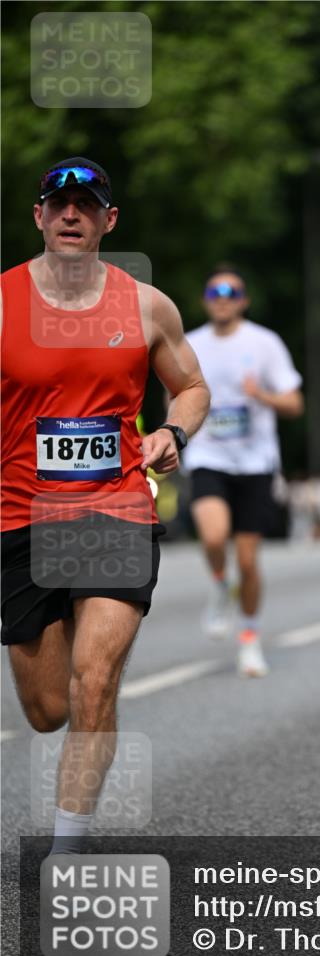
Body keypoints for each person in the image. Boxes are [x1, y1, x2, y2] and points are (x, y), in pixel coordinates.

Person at [0, 157, 210, 853]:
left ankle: (67, 847)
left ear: (107, 221)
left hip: (114, 508)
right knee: (46, 708)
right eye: (58, 205)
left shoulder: (147, 305)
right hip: (21, 515)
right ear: (38, 216)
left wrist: (172, 432)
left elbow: (191, 386)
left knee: (96, 680)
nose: (71, 215)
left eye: (86, 205)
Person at [183, 265, 303, 676]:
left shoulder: (265, 343)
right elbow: (175, 396)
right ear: (204, 299)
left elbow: (295, 403)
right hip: (208, 457)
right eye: (213, 290)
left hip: (255, 463)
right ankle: (220, 584)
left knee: (249, 562)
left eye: (230, 291)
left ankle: (249, 639)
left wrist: (261, 395)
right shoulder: (190, 344)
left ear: (244, 300)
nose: (221, 297)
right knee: (214, 535)